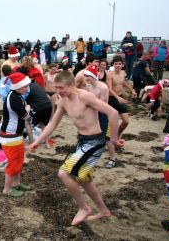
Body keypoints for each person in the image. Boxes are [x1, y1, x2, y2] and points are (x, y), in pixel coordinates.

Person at [30, 70, 122, 226]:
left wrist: (113, 139)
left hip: (96, 141)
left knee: (64, 173)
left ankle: (84, 208)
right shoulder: (63, 101)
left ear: (71, 85)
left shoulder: (84, 96)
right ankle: (104, 210)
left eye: (61, 88)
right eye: (56, 88)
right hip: (82, 141)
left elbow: (112, 113)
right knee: (83, 179)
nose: (58, 91)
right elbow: (53, 123)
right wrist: (38, 140)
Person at [0, 72, 32, 197]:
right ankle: (7, 189)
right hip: (10, 135)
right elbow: (24, 115)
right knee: (13, 163)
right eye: (24, 86)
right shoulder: (14, 98)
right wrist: (27, 109)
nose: (27, 88)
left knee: (19, 160)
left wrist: (26, 108)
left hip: (15, 134)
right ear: (17, 86)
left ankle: (17, 183)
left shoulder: (17, 95)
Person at [107, 55, 137, 138]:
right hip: (111, 99)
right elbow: (109, 89)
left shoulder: (123, 73)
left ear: (122, 65)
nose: (117, 65)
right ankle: (108, 139)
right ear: (113, 65)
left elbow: (123, 83)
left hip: (119, 97)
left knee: (126, 121)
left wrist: (132, 90)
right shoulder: (109, 75)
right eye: (116, 64)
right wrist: (118, 97)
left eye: (119, 64)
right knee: (111, 122)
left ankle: (117, 135)